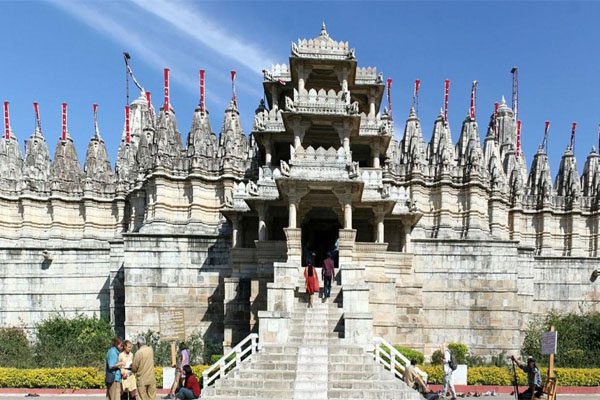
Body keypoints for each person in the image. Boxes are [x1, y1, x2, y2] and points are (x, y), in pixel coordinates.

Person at [131, 336, 156, 400]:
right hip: (151, 378)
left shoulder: (139, 353)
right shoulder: (150, 350)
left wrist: (131, 367)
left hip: (142, 379)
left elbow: (134, 368)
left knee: (142, 398)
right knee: (152, 397)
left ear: (139, 344)